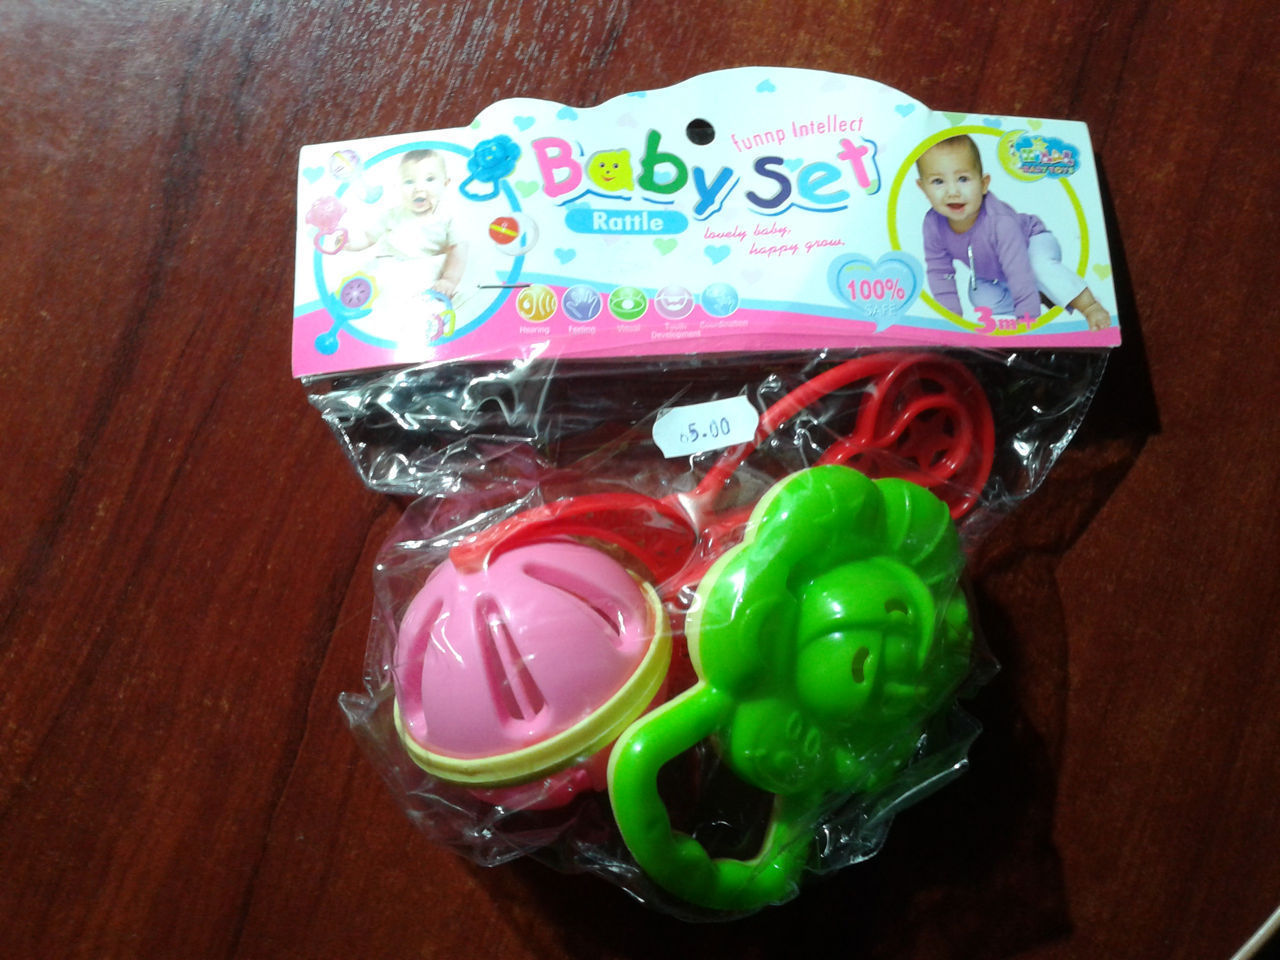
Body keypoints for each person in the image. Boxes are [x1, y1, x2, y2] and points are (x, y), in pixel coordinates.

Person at [916, 135, 1110, 330]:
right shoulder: (933, 224)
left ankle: (1090, 306)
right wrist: (950, 321)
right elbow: (940, 271)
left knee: (1038, 267)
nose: (952, 191)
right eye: (938, 181)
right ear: (922, 188)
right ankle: (1040, 294)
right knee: (981, 298)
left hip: (1031, 244)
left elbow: (1018, 270)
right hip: (993, 270)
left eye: (963, 179)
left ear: (983, 184)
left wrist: (1027, 319)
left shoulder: (1000, 222)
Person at [345, 149, 467, 298]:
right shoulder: (392, 214)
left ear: (445, 183)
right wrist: (351, 244)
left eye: (429, 179)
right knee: (368, 273)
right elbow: (369, 237)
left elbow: (458, 250)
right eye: (409, 182)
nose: (418, 188)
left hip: (426, 269)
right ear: (398, 187)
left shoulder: (448, 218)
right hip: (390, 266)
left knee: (437, 278)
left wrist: (449, 279)